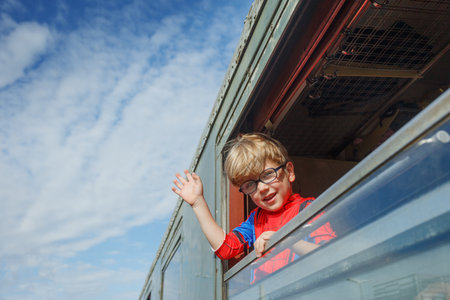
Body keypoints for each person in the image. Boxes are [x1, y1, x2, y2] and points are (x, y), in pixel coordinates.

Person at [172, 133, 335, 280]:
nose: (262, 188)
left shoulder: (309, 209)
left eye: (268, 174)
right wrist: (198, 203)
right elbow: (226, 249)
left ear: (289, 172)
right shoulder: (256, 220)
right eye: (250, 185)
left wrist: (284, 241)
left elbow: (331, 256)